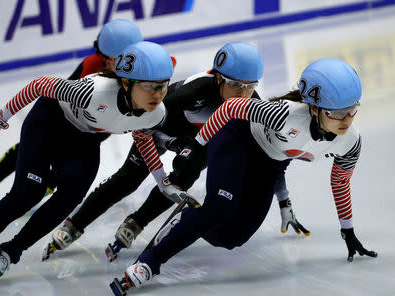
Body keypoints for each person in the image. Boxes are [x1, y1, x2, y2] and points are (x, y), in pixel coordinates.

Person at [111, 58, 378, 294]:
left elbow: (341, 181)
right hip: (236, 137)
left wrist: (347, 231)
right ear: (314, 108)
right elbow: (230, 108)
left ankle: (189, 217)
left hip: (270, 164)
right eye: (338, 112)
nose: (347, 119)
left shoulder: (350, 142)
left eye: (353, 109)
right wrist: (198, 145)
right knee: (220, 209)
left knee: (230, 238)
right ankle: (149, 262)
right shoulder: (284, 115)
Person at [43, 41, 309, 262]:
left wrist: (284, 200)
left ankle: (138, 222)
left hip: (194, 142)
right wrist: (171, 143)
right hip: (155, 129)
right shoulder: (195, 91)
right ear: (217, 78)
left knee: (182, 180)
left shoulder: (251, 105)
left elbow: (272, 155)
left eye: (250, 86)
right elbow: (143, 124)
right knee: (128, 179)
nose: (243, 93)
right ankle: (74, 224)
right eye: (235, 85)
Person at [0, 41, 174, 286]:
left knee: (72, 195)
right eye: (150, 86)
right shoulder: (93, 91)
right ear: (126, 83)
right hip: (50, 120)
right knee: (27, 194)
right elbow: (38, 85)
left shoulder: (156, 112)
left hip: (83, 137)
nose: (157, 94)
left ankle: (12, 250)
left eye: (163, 86)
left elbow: (142, 135)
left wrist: (163, 181)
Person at [0, 19, 143, 215]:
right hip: (71, 118)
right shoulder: (91, 64)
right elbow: (59, 96)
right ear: (102, 55)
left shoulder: (142, 72)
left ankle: (50, 182)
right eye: (110, 59)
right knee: (28, 147)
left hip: (96, 129)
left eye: (121, 61)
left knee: (71, 158)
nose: (116, 67)